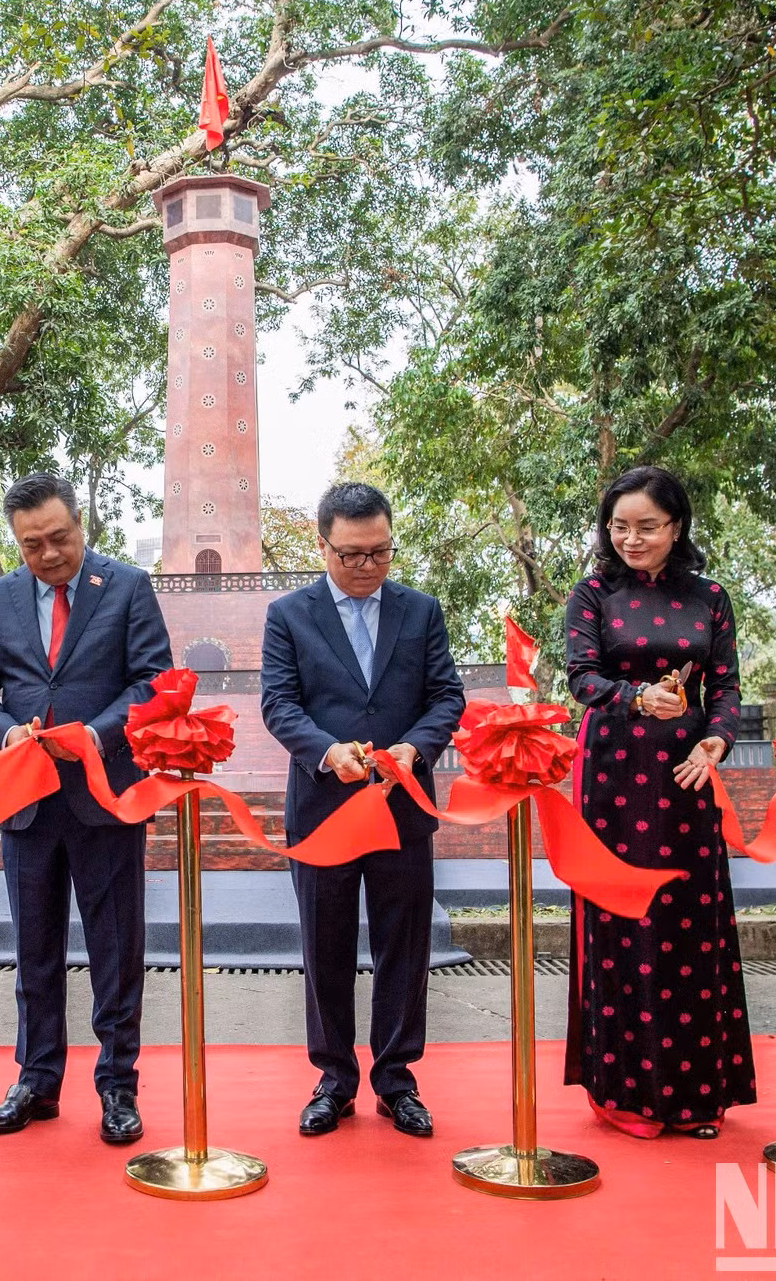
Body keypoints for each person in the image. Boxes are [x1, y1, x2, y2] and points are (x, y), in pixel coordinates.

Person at [0, 474, 172, 1145]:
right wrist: (5, 731)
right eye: (31, 546)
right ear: (15, 543)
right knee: (34, 950)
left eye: (59, 538)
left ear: (82, 523)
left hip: (104, 797)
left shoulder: (129, 587)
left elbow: (152, 681)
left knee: (115, 949)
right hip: (25, 800)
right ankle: (36, 1081)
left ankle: (118, 1087)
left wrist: (95, 735)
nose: (48, 555)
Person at [260, 482, 466, 1137]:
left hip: (402, 803)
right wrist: (326, 751)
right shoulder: (288, 615)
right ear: (322, 546)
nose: (367, 566)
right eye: (351, 554)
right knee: (324, 944)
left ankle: (397, 1078)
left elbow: (446, 698)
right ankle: (334, 1078)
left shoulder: (421, 611)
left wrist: (416, 747)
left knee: (405, 944)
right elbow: (280, 704)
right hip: (324, 806)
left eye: (380, 552)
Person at [562, 465, 752, 1139]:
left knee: (689, 923)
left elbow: (726, 689)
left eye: (646, 527)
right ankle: (628, 1094)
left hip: (687, 776)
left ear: (677, 527)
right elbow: (582, 677)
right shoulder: (592, 594)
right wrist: (636, 698)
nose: (631, 539)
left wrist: (715, 745)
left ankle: (700, 1095)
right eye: (619, 527)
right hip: (614, 774)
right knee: (623, 921)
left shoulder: (711, 597)